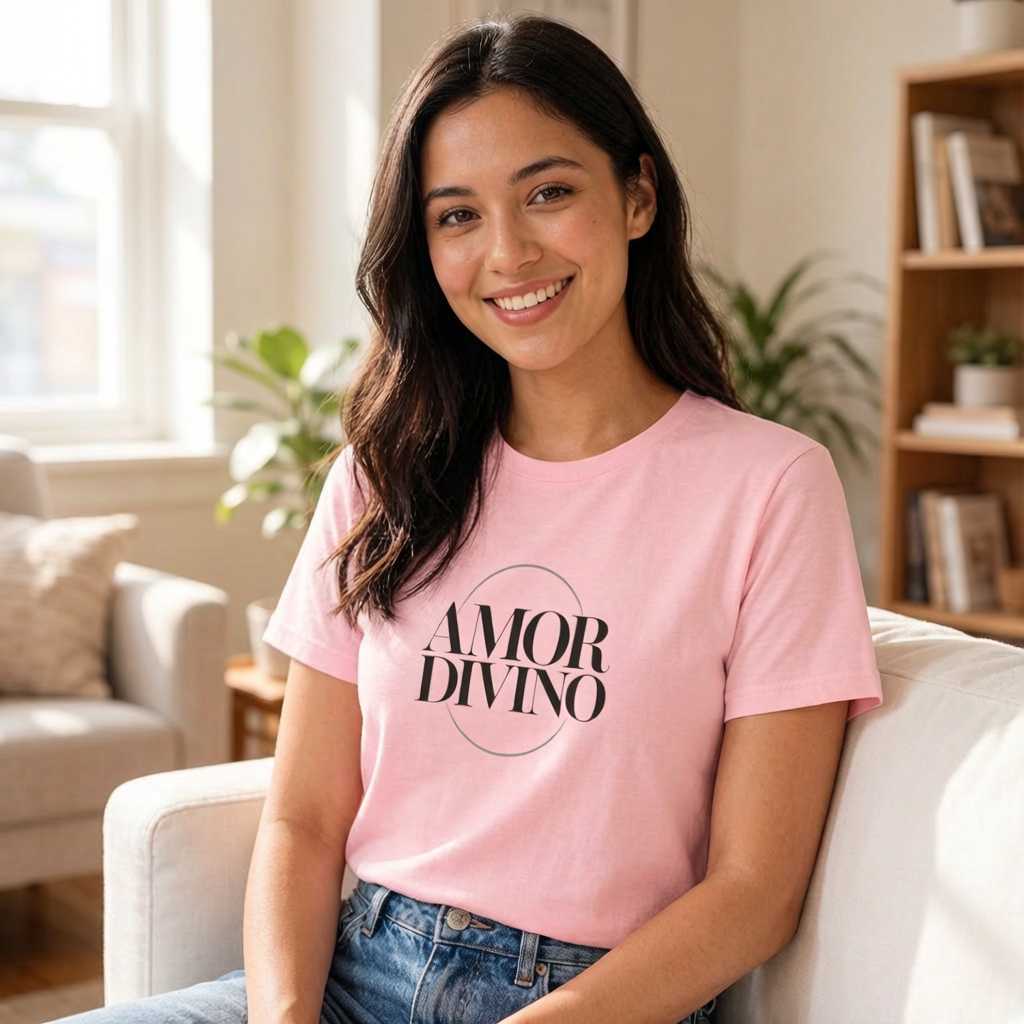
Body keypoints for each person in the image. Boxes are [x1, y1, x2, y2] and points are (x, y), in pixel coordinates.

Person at [62, 13, 881, 1024]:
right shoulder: (384, 470)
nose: (507, 252)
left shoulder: (769, 486)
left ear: (636, 195)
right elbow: (306, 820)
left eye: (547, 192)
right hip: (352, 978)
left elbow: (753, 890)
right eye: (456, 215)